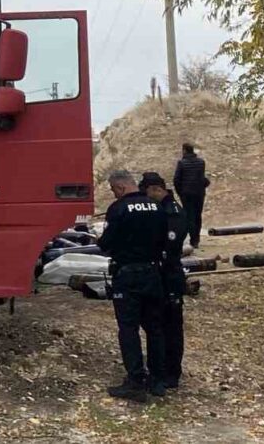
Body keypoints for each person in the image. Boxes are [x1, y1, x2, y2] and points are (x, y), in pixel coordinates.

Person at [98, 170, 168, 402]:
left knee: (128, 329)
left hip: (127, 275)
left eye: (112, 190)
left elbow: (106, 243)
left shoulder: (118, 209)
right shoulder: (156, 206)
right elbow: (164, 240)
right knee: (154, 328)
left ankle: (136, 381)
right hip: (153, 272)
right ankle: (158, 380)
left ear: (119, 187)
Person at [140, 171, 187, 390]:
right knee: (158, 323)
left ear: (156, 190)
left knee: (171, 326)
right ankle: (160, 368)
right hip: (161, 274)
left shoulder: (172, 212)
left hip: (170, 274)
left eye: (148, 193)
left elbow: (169, 246)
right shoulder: (162, 208)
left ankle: (171, 372)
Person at [172, 143, 210, 248]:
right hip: (199, 193)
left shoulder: (181, 163)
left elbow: (176, 179)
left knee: (189, 216)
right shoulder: (201, 162)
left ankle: (192, 239)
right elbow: (201, 178)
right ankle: (196, 239)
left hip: (186, 194)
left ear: (184, 150)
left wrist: (180, 192)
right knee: (198, 216)